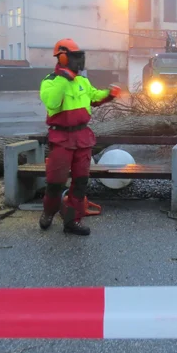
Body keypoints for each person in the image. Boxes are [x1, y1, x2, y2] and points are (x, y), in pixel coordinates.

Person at [38, 38, 121, 236]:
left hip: (82, 136)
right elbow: (52, 103)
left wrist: (109, 94)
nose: (79, 62)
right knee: (56, 182)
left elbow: (94, 96)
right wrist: (63, 80)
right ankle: (48, 212)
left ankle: (72, 221)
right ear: (63, 58)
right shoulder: (50, 81)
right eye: (74, 57)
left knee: (81, 181)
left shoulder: (83, 81)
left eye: (79, 57)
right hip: (61, 138)